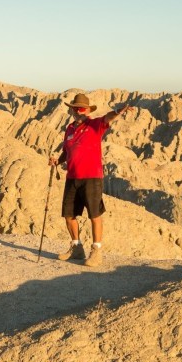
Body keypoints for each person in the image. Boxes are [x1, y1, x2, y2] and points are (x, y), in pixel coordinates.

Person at [49, 93, 135, 267]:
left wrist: (119, 111)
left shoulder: (95, 125)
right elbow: (67, 151)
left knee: (94, 215)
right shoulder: (69, 129)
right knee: (69, 215)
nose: (79, 111)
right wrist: (58, 160)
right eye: (75, 108)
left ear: (88, 110)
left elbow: (108, 117)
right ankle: (76, 247)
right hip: (72, 177)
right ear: (72, 110)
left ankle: (96, 251)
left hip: (92, 177)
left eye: (82, 108)